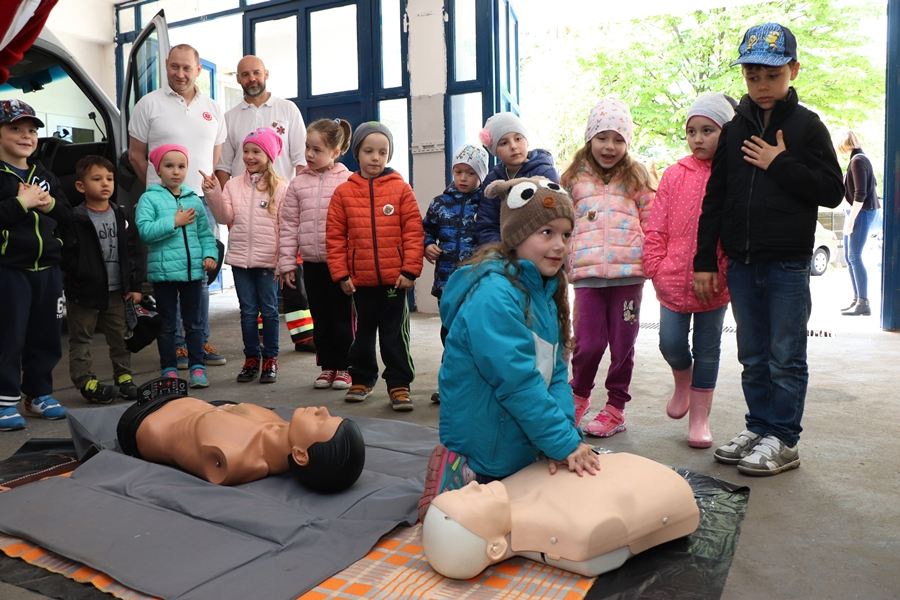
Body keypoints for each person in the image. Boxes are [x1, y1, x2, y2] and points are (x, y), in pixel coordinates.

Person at [693, 23, 844, 476]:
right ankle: (758, 427)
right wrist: (705, 260)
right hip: (742, 263)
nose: (761, 85)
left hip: (787, 264)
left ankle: (784, 438)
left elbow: (832, 190)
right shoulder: (733, 129)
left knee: (785, 355)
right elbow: (715, 198)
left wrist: (780, 163)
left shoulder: (807, 127)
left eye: (772, 75)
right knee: (753, 355)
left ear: (793, 70)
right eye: (752, 75)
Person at [418, 176, 601, 523]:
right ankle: (456, 474)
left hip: (518, 438)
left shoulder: (544, 293)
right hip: (485, 446)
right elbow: (518, 383)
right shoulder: (494, 297)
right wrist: (563, 444)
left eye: (565, 234)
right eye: (546, 232)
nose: (559, 245)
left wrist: (564, 436)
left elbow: (555, 374)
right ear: (517, 235)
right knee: (478, 527)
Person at [422, 453, 699, 579]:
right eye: (470, 500)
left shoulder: (509, 489)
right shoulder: (572, 529)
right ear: (495, 548)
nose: (472, 487)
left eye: (461, 491)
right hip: (659, 484)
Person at [642, 93, 734, 448]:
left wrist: (724, 271)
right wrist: (655, 266)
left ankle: (699, 418)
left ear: (725, 131)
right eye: (692, 131)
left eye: (708, 130)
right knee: (670, 343)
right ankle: (683, 379)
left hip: (714, 283)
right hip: (671, 279)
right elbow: (657, 224)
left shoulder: (732, 174)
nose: (698, 138)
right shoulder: (674, 174)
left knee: (708, 349)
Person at [128, 43, 227, 370]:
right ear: (166, 66)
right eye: (174, 66)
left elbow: (213, 158)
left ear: (198, 70)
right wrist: (160, 193)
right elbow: (136, 155)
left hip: (201, 202)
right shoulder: (148, 104)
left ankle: (199, 342)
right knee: (169, 275)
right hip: (163, 205)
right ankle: (178, 347)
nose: (180, 74)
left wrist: (201, 193)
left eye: (187, 68)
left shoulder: (213, 108)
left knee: (200, 275)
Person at [563, 98, 655, 438]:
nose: (610, 146)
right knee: (587, 343)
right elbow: (561, 223)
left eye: (618, 139)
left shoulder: (637, 177)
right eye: (602, 137)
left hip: (628, 277)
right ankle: (578, 396)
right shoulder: (572, 179)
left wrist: (654, 261)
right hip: (587, 277)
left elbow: (653, 222)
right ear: (590, 138)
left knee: (622, 344)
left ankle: (616, 408)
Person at [215, 55, 316, 353]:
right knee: (253, 280)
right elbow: (223, 166)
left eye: (256, 72)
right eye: (245, 74)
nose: (252, 78)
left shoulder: (287, 109)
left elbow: (301, 160)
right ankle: (259, 339)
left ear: (266, 74)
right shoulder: (230, 117)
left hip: (282, 204)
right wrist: (227, 204)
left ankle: (303, 335)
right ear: (238, 79)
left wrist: (299, 200)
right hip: (243, 208)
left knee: (292, 271)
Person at [325, 122, 424, 410]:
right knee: (361, 336)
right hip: (359, 283)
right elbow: (334, 237)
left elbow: (414, 232)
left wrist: (409, 271)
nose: (376, 158)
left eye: (382, 152)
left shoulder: (401, 189)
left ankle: (399, 384)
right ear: (357, 153)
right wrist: (341, 274)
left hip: (395, 282)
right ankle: (362, 379)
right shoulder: (343, 193)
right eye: (369, 151)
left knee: (395, 338)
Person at [118, 394, 365, 493]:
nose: (323, 410)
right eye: (330, 415)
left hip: (141, 423)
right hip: (178, 399)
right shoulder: (280, 426)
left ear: (301, 455)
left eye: (322, 423)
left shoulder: (235, 459)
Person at [0, 99, 70, 430]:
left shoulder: (44, 176)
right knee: (9, 337)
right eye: (15, 128)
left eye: (31, 130)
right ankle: (4, 400)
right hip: (9, 270)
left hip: (48, 270)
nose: (26, 136)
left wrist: (50, 204)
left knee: (46, 335)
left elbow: (67, 215)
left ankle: (38, 394)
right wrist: (21, 202)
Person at [203, 127, 287, 384]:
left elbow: (285, 228)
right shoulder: (232, 185)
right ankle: (251, 358)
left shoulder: (280, 188)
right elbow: (223, 217)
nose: (249, 156)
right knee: (248, 312)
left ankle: (270, 359)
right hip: (240, 261)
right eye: (246, 151)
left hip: (267, 262)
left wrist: (284, 262)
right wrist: (213, 193)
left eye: (256, 151)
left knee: (269, 311)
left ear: (269, 155)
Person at [279, 118, 354, 390]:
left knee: (342, 318)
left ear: (335, 152)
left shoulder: (348, 181)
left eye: (317, 150)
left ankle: (345, 367)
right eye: (307, 147)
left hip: (341, 264)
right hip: (311, 263)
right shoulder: (297, 184)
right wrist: (287, 263)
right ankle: (327, 367)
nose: (309, 154)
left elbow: (356, 225)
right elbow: (288, 225)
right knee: (320, 318)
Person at [61, 155, 143, 404]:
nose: (105, 183)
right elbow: (66, 254)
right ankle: (86, 382)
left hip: (117, 291)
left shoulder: (121, 214)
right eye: (96, 179)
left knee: (121, 336)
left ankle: (124, 377)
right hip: (84, 293)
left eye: (109, 178)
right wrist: (79, 277)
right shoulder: (75, 218)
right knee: (82, 339)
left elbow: (133, 251)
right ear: (80, 186)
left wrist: (135, 285)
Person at [136, 145, 218, 389]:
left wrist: (209, 254)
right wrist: (174, 221)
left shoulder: (193, 199)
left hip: (193, 273)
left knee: (194, 324)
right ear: (157, 169)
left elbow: (205, 234)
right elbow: (145, 231)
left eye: (181, 166)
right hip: (164, 274)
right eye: (169, 166)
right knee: (167, 324)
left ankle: (197, 367)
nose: (176, 171)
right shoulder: (149, 198)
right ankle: (169, 368)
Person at [422, 143, 488, 402]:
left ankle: (477, 386)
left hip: (477, 284)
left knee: (475, 334)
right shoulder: (440, 203)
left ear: (481, 175)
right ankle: (450, 385)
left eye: (470, 173)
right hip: (446, 284)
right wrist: (427, 245)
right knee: (449, 334)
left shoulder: (486, 205)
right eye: (458, 171)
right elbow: (426, 230)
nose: (463, 178)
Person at [474, 113, 560, 244]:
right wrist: (500, 250)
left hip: (540, 247)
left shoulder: (545, 173)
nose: (513, 146)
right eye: (504, 143)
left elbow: (553, 218)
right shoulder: (491, 181)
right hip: (503, 250)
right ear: (495, 150)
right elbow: (486, 225)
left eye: (518, 138)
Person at [836, 130, 881, 316]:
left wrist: (851, 220)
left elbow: (860, 194)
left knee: (854, 256)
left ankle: (863, 302)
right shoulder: (858, 160)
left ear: (844, 144)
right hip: (858, 211)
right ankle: (858, 300)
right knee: (850, 257)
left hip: (862, 212)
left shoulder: (858, 161)